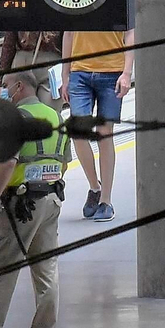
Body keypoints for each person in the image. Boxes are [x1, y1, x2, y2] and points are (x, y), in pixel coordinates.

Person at [0, 70, 69, 328]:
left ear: (18, 87)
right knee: (47, 271)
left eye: (4, 87)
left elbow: (7, 164)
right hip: (50, 199)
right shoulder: (56, 118)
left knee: (3, 269)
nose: (2, 93)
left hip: (19, 204)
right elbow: (64, 163)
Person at [61, 28, 134, 222]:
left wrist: (127, 72)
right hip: (79, 72)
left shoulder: (118, 0)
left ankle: (106, 200)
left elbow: (130, 33)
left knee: (104, 133)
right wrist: (65, 75)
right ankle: (95, 186)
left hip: (112, 71)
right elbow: (68, 33)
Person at [0, 31, 63, 104]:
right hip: (51, 64)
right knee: (50, 106)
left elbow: (9, 44)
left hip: (23, 62)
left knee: (21, 105)